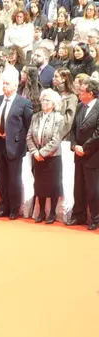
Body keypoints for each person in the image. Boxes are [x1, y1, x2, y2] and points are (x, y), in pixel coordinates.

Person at [0, 68, 34, 220]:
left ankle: (14, 209)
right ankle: (3, 206)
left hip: (15, 146)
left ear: (15, 86)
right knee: (2, 178)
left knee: (14, 178)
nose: (4, 86)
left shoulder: (24, 103)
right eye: (3, 83)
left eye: (7, 84)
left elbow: (29, 125)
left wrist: (21, 141)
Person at [26, 89, 65, 223]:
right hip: (37, 156)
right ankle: (41, 211)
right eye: (43, 99)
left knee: (53, 185)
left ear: (54, 103)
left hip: (52, 157)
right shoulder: (35, 116)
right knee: (39, 185)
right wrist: (35, 152)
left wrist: (42, 152)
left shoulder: (59, 118)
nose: (44, 102)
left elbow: (56, 140)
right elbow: (29, 136)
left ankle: (52, 213)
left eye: (47, 100)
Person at [70, 77, 99, 230]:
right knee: (78, 187)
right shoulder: (80, 106)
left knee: (93, 189)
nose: (79, 93)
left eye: (82, 91)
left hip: (93, 156)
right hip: (78, 155)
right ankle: (78, 215)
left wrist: (85, 148)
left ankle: (95, 218)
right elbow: (73, 128)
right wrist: (75, 145)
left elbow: (98, 133)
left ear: (91, 93)